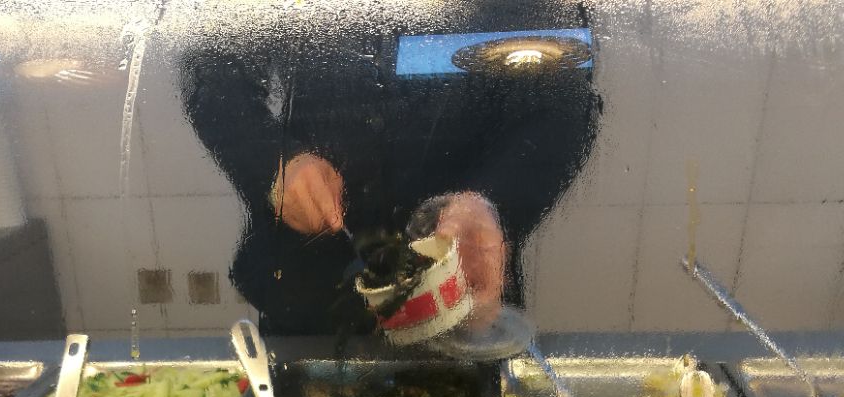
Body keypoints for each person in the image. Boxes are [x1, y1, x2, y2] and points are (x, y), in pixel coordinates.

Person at [180, 3, 600, 334]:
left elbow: (563, 104)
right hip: (310, 283)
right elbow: (212, 72)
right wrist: (275, 162)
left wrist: (493, 202)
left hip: (461, 278)